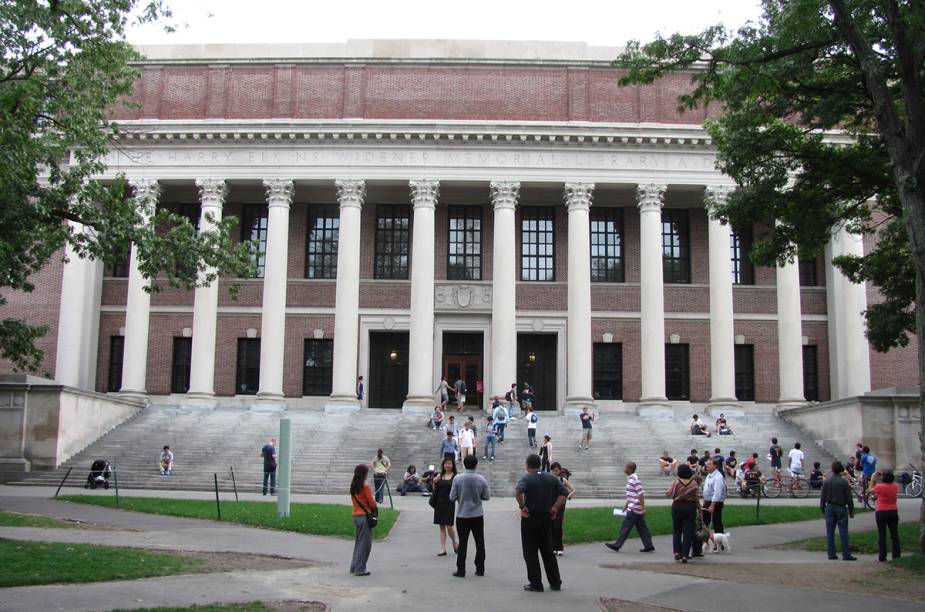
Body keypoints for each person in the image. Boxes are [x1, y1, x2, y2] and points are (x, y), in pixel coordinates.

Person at [515, 454, 568, 592]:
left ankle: (536, 583)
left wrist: (522, 506)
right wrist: (555, 507)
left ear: (527, 465)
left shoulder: (526, 478)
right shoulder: (551, 478)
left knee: (530, 551)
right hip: (546, 517)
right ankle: (555, 582)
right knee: (548, 551)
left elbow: (518, 492)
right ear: (540, 464)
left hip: (530, 517)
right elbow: (564, 493)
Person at [449, 455, 490, 577]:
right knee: (480, 542)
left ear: (463, 464)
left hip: (462, 514)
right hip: (477, 514)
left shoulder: (457, 479)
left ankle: (461, 570)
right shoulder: (481, 479)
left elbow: (452, 497)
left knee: (463, 542)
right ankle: (480, 568)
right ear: (476, 465)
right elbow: (486, 497)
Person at [606, 462, 655, 553]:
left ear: (630, 469)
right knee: (642, 527)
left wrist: (643, 508)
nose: (624, 468)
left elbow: (640, 494)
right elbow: (632, 494)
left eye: (625, 467)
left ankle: (618, 544)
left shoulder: (635, 479)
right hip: (634, 507)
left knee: (625, 527)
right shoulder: (630, 479)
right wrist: (626, 505)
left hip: (634, 508)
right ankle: (649, 545)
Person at [819, 461, 857, 561]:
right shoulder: (844, 482)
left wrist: (823, 510)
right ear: (841, 470)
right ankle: (846, 554)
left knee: (830, 532)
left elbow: (822, 498)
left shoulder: (827, 482)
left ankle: (831, 554)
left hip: (830, 507)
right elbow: (849, 498)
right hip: (841, 507)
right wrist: (851, 510)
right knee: (843, 531)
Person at [667, 463, 700, 563]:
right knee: (688, 531)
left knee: (677, 530)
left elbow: (671, 494)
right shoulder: (694, 483)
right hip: (690, 507)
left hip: (677, 506)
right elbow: (696, 497)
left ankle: (677, 552)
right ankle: (685, 555)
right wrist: (699, 508)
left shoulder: (676, 482)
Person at [349, 464, 376, 576]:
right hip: (364, 516)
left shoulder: (353, 486)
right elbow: (371, 503)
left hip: (356, 515)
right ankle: (360, 569)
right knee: (365, 544)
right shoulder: (365, 487)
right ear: (364, 474)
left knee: (358, 543)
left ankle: (354, 566)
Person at [869, 470, 901, 562]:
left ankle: (882, 556)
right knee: (894, 534)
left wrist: (873, 478)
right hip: (893, 510)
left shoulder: (880, 487)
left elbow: (870, 490)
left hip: (881, 511)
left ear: (883, 478)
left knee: (882, 534)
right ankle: (896, 555)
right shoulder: (895, 486)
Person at [432, 458, 459, 556]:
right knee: (441, 526)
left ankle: (454, 542)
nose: (447, 465)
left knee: (449, 526)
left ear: (453, 465)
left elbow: (458, 490)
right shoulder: (440, 475)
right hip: (439, 503)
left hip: (450, 503)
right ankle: (443, 549)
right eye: (445, 464)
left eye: (449, 464)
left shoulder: (456, 476)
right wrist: (434, 481)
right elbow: (434, 487)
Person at [549, 463, 576, 556]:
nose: (554, 472)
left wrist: (567, 497)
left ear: (559, 471)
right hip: (551, 504)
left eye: (556, 470)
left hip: (560, 505)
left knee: (558, 526)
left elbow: (573, 490)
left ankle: (559, 547)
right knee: (551, 526)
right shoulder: (549, 480)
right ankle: (553, 547)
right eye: (553, 470)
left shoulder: (562, 480)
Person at [701, 458, 726, 536]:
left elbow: (717, 492)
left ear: (715, 465)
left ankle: (719, 541)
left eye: (709, 464)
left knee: (716, 521)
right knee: (704, 521)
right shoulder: (710, 474)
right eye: (707, 464)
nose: (707, 465)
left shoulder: (718, 477)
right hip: (708, 501)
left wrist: (712, 505)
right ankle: (705, 539)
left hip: (715, 502)